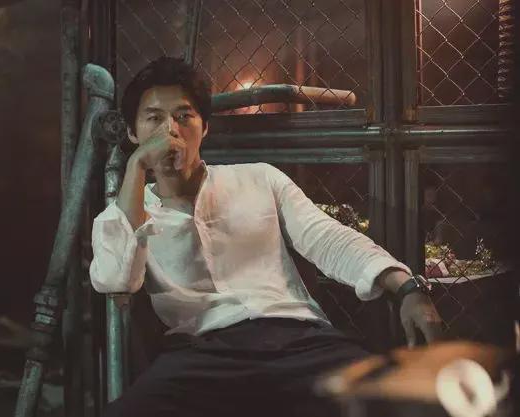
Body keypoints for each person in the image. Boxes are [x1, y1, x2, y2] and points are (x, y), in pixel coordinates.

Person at [90, 56, 443, 417]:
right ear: (133, 133)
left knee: (400, 402)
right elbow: (117, 279)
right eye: (154, 119)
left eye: (184, 116)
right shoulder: (122, 216)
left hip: (297, 341)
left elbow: (326, 238)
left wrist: (406, 287)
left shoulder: (260, 178)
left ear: (204, 127)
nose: (171, 131)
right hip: (201, 358)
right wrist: (136, 165)